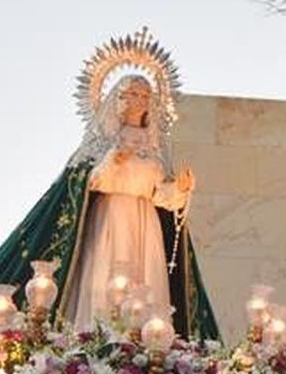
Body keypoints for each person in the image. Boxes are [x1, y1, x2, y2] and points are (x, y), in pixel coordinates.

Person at [65, 74, 195, 328]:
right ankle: (99, 335)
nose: (140, 100)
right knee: (109, 272)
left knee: (145, 279)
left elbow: (159, 195)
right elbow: (89, 183)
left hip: (145, 220)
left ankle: (146, 343)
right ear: (118, 97)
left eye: (146, 95)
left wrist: (180, 190)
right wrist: (115, 159)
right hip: (111, 214)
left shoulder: (155, 143)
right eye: (133, 93)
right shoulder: (105, 138)